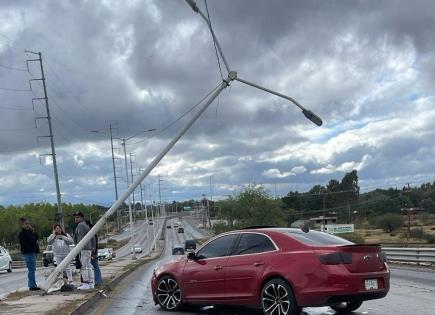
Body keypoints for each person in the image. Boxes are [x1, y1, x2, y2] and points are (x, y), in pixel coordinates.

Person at [73, 211, 95, 290]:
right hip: (87, 248)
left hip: (83, 248)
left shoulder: (81, 225)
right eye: (75, 217)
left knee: (84, 266)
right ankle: (91, 282)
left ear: (82, 218)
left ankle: (86, 283)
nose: (76, 219)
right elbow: (92, 238)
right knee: (88, 266)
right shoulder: (86, 225)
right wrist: (93, 247)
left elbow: (80, 239)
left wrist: (78, 248)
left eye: (78, 217)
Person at [18, 217, 41, 291]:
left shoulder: (29, 232)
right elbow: (32, 240)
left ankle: (32, 284)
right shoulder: (22, 234)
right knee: (31, 270)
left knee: (32, 269)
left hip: (32, 252)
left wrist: (32, 230)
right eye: (26, 224)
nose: (28, 225)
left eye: (28, 224)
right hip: (28, 253)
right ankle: (32, 285)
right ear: (22, 225)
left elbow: (36, 237)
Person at [87, 220, 103, 286]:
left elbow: (94, 244)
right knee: (94, 267)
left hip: (93, 253)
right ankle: (97, 280)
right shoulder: (93, 233)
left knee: (95, 267)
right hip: (93, 253)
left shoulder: (92, 234)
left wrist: (94, 253)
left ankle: (98, 281)